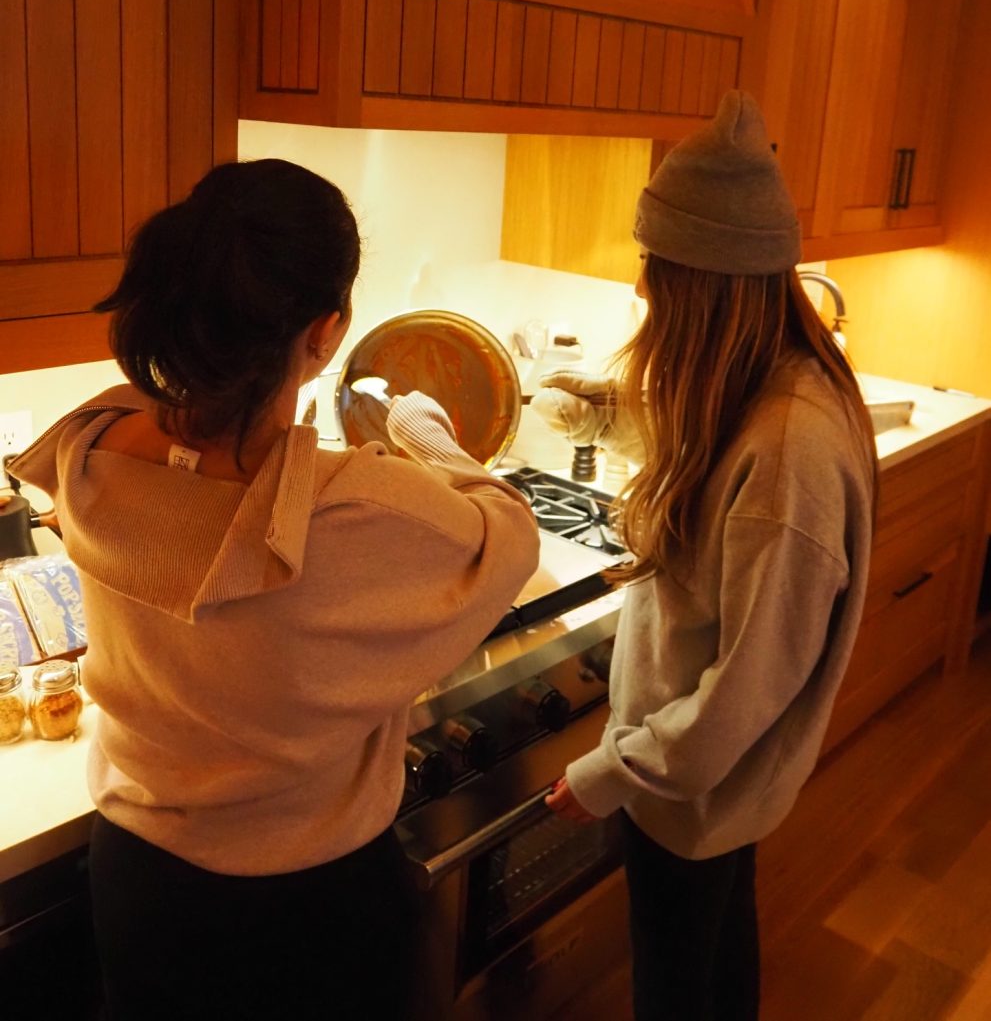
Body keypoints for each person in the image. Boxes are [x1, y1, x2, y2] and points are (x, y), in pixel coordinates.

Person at [9, 159, 539, 1021]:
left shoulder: (89, 450)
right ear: (326, 331)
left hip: (140, 883)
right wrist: (424, 432)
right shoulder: (359, 508)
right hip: (309, 903)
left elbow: (174, 454)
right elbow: (508, 533)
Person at [531, 91, 877, 1021]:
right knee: (717, 958)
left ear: (704, 281)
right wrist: (602, 412)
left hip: (691, 777)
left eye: (654, 269)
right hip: (707, 784)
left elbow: (747, 684)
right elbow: (707, 442)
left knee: (675, 985)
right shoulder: (768, 380)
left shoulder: (792, 451)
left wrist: (614, 772)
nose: (643, 292)